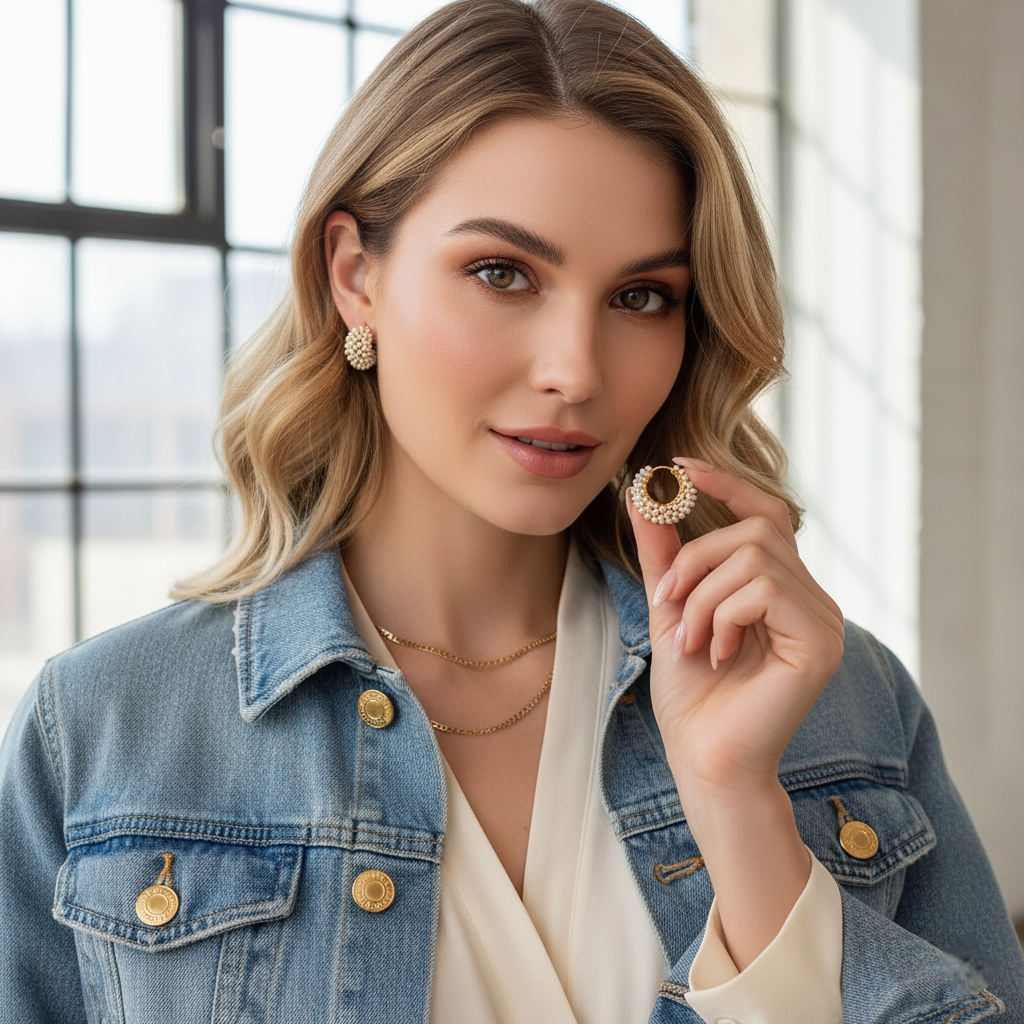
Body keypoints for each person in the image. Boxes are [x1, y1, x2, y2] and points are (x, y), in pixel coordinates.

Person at [1, 1, 1021, 1021]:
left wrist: (739, 809)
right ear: (355, 276)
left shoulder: (841, 702)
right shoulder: (100, 731)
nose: (575, 371)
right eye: (502, 274)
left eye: (641, 297)